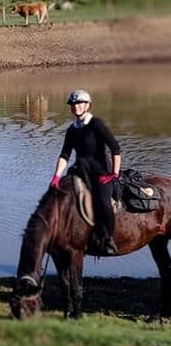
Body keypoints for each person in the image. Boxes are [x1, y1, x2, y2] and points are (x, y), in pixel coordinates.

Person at [50, 89, 121, 254]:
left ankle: (107, 239)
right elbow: (65, 155)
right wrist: (56, 177)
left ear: (88, 105)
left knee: (103, 203)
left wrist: (114, 174)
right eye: (73, 104)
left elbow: (115, 148)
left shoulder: (97, 124)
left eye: (79, 103)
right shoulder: (71, 130)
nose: (76, 107)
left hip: (102, 174)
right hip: (81, 173)